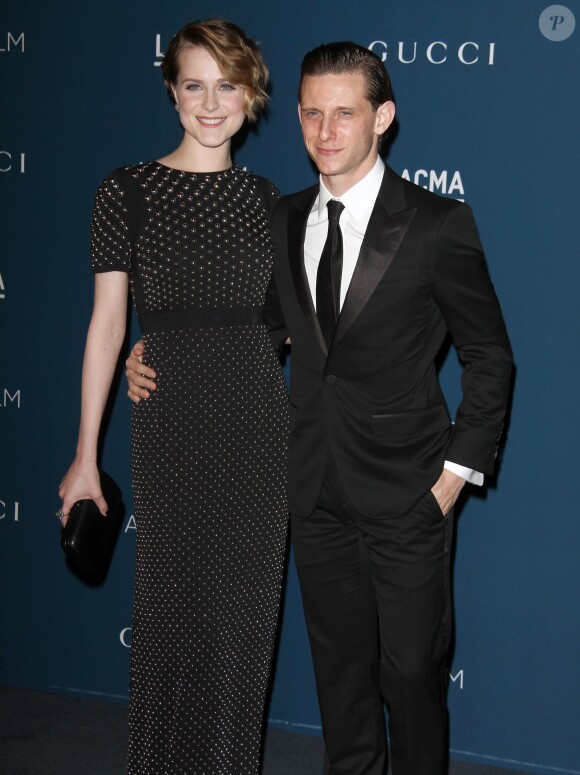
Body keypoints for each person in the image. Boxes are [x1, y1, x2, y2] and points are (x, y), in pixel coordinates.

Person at [127, 41, 513, 775]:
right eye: (311, 113)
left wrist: (452, 479)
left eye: (345, 113)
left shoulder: (437, 222)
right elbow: (264, 326)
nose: (325, 131)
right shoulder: (285, 215)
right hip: (312, 486)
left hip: (409, 491)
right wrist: (155, 352)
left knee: (410, 675)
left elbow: (491, 357)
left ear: (383, 118)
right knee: (342, 679)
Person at [58, 19, 289, 775]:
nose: (211, 102)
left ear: (251, 93)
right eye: (195, 84)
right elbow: (106, 327)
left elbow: (286, 327)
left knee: (244, 620)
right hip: (171, 421)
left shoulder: (268, 200)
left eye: (228, 84)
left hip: (257, 421)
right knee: (171, 615)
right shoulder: (126, 189)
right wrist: (84, 457)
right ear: (172, 91)